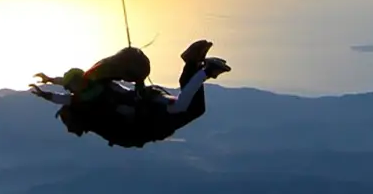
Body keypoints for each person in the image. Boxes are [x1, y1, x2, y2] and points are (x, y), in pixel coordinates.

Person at [31, 39, 231, 148]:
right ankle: (192, 64)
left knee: (184, 107)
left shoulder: (86, 98)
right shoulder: (89, 90)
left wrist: (48, 84)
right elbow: (62, 95)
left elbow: (62, 95)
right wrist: (46, 88)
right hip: (145, 107)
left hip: (146, 112)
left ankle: (204, 70)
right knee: (192, 108)